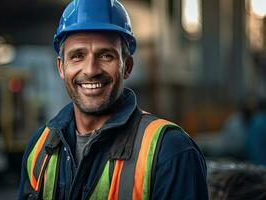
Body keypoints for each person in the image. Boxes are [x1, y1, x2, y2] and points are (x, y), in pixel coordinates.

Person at [18, 0, 208, 199]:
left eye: (106, 56)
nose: (91, 70)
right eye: (77, 56)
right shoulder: (39, 148)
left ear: (127, 66)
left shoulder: (170, 151)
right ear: (61, 68)